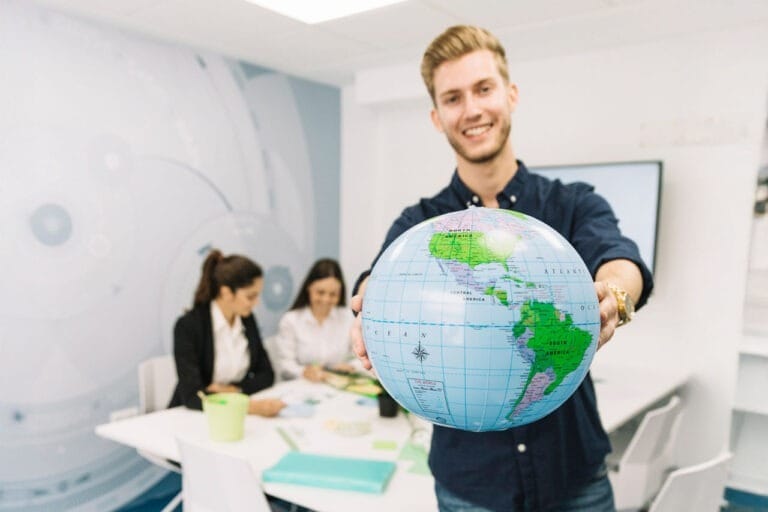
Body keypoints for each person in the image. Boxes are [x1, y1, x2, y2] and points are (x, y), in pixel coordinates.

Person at [350, 25, 653, 512]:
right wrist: (366, 303)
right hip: (470, 486)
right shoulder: (420, 224)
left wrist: (614, 294)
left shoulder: (572, 204)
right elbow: (377, 277)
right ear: (436, 116)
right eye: (452, 97)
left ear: (510, 95)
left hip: (574, 476)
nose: (471, 109)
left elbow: (621, 258)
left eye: (483, 89)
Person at [169, 249, 284, 417]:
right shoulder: (188, 326)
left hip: (230, 414)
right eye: (250, 297)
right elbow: (193, 396)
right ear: (226, 293)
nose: (256, 303)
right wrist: (249, 406)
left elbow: (267, 374)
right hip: (192, 415)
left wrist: (234, 390)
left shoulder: (247, 319)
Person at [274, 258, 356, 382]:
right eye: (320, 292)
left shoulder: (348, 317)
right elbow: (285, 364)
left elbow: (359, 355)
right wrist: (304, 371)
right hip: (303, 386)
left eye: (333, 294)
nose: (326, 300)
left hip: (339, 383)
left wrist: (351, 365)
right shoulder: (291, 320)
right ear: (309, 288)